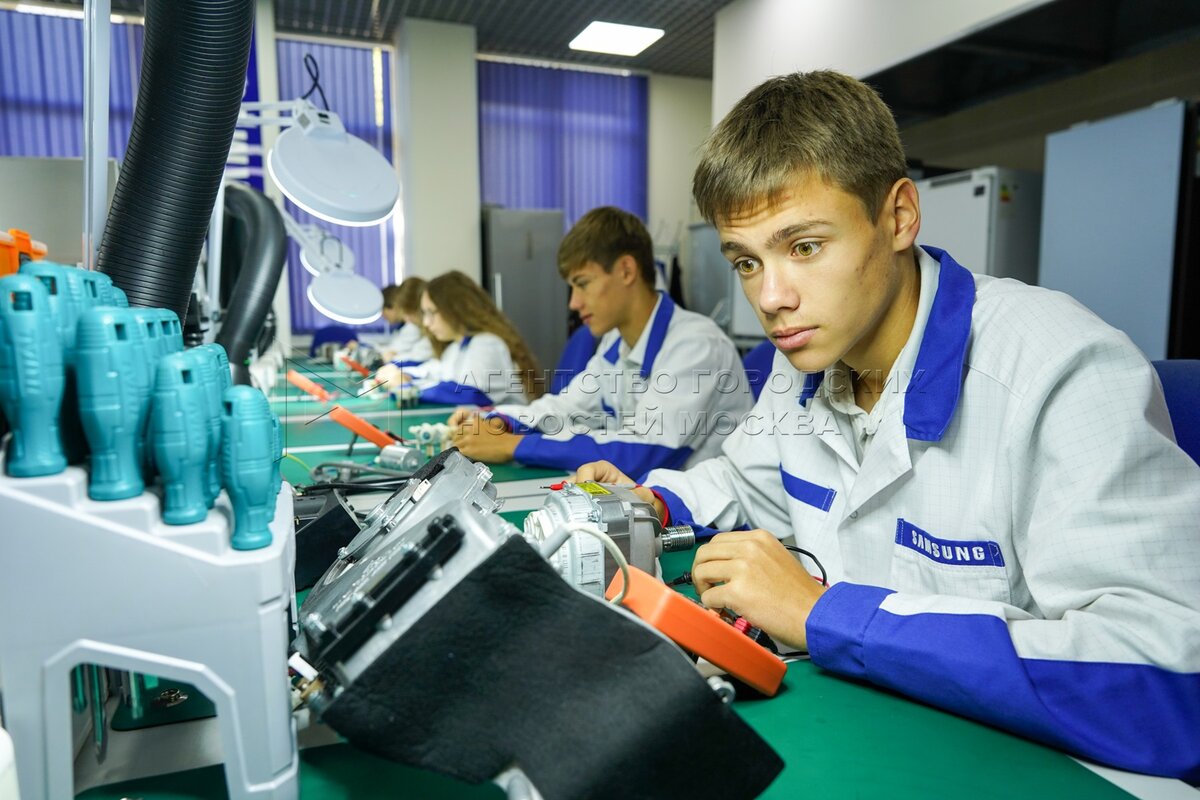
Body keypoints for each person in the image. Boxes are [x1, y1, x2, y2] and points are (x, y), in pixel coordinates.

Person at [577, 71, 1200, 781]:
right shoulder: (807, 358)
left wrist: (824, 614)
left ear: (899, 217)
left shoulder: (1059, 368)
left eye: (803, 247)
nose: (770, 298)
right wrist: (652, 503)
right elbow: (749, 482)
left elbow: (1170, 675)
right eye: (747, 261)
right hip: (870, 740)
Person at [449, 206, 752, 480]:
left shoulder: (696, 345)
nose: (574, 303)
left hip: (707, 518)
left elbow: (645, 450)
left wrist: (514, 446)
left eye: (583, 284)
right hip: (648, 499)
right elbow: (566, 407)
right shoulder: (615, 342)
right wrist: (499, 421)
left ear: (626, 271)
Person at [398, 270, 542, 406]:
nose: (426, 323)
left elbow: (471, 394)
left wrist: (412, 390)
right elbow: (438, 374)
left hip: (505, 423)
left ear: (455, 309)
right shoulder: (457, 347)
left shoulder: (487, 344)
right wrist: (405, 375)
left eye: (431, 313)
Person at [376, 278, 433, 365]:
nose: (406, 319)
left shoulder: (413, 328)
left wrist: (392, 360)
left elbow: (418, 356)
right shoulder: (414, 327)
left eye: (409, 313)